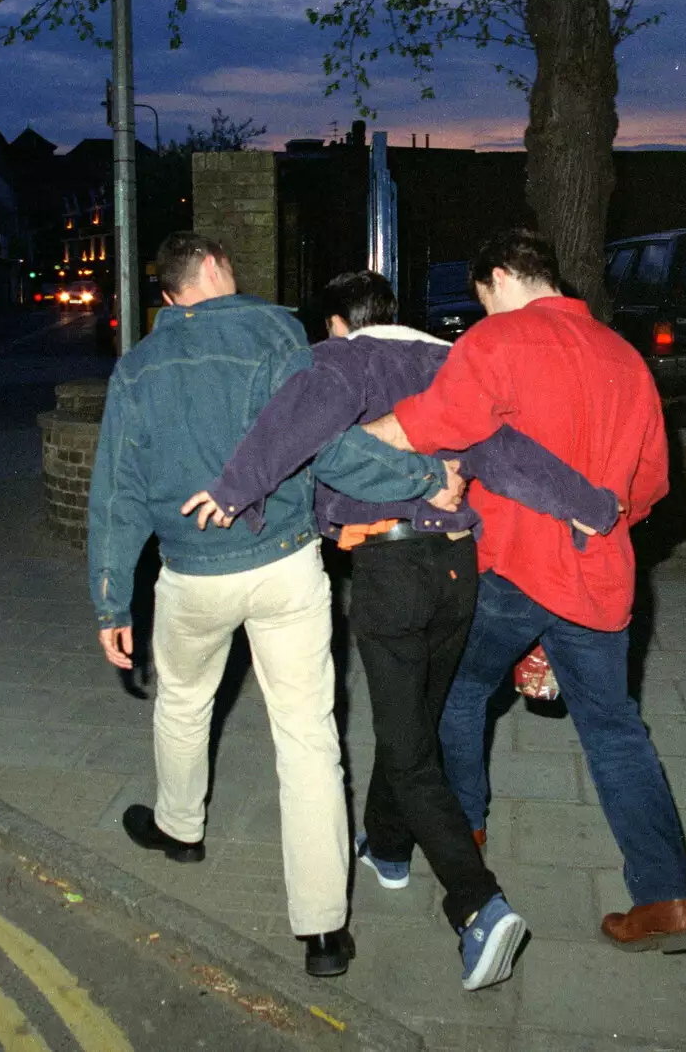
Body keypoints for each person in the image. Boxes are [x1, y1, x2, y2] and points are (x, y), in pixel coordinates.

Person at [180, 269, 621, 991]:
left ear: (335, 325)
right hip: (457, 572)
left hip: (394, 573)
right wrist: (589, 505)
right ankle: (387, 849)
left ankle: (478, 907)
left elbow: (296, 434)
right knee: (409, 719)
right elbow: (509, 456)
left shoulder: (342, 362)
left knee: (413, 750)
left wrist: (236, 491)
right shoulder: (448, 363)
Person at [88, 233, 462, 978]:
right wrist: (420, 478)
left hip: (192, 572)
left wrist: (109, 601)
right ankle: (323, 932)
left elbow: (117, 494)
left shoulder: (136, 367)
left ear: (167, 296)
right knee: (308, 738)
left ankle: (180, 827)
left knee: (184, 702)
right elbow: (324, 447)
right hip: (286, 565)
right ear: (225, 273)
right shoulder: (274, 335)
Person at [363, 229, 686, 954]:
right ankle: (668, 899)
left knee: (456, 693)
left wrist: (347, 442)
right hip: (600, 576)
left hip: (514, 569)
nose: (481, 310)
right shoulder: (624, 356)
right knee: (616, 731)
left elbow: (428, 425)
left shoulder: (496, 344)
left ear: (495, 278)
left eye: (481, 296)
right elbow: (649, 485)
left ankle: (466, 842)